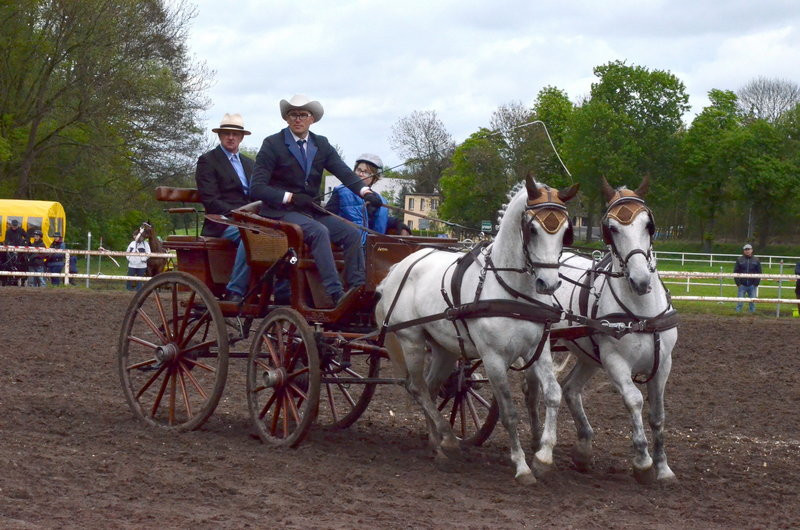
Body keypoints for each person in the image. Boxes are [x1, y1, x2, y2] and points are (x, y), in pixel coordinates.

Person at [249, 95, 382, 306]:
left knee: (352, 233)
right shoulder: (273, 144)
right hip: (279, 212)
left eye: (303, 114)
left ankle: (357, 289)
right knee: (319, 231)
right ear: (286, 118)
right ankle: (335, 294)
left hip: (308, 211)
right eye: (293, 114)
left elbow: (344, 172)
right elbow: (257, 187)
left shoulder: (321, 144)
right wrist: (290, 197)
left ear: (312, 119)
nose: (298, 119)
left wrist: (365, 192)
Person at [195, 113, 255, 302]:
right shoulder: (208, 161)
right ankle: (235, 290)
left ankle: (277, 289)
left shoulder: (250, 164)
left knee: (281, 234)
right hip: (222, 221)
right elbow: (211, 200)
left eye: (235, 134)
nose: (231, 137)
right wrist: (239, 214)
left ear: (241, 137)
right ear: (220, 136)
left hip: (252, 219)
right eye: (227, 133)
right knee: (250, 235)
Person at [325, 153, 389, 244]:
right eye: (359, 170)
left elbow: (381, 221)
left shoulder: (379, 199)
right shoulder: (341, 192)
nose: (361, 174)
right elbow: (327, 218)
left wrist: (399, 224)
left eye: (366, 172)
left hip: (372, 247)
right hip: (346, 245)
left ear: (375, 179)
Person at [733, 243, 761, 313]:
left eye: (748, 249)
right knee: (740, 301)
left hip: (752, 285)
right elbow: (735, 272)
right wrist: (738, 284)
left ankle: (752, 314)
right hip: (742, 285)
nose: (747, 251)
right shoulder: (739, 259)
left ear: (752, 250)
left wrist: (756, 284)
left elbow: (759, 272)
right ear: (744, 251)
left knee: (752, 302)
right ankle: (737, 313)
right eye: (746, 249)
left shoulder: (756, 260)